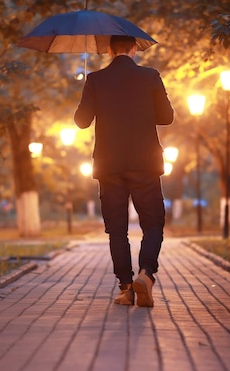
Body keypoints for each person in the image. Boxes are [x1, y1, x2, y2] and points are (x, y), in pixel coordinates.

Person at [74, 35, 174, 307]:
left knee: (117, 230)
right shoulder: (150, 76)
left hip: (109, 167)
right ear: (134, 49)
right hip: (145, 164)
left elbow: (81, 121)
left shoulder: (96, 80)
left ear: (108, 50)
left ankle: (126, 288)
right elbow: (167, 117)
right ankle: (146, 274)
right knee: (153, 224)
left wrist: (88, 90)